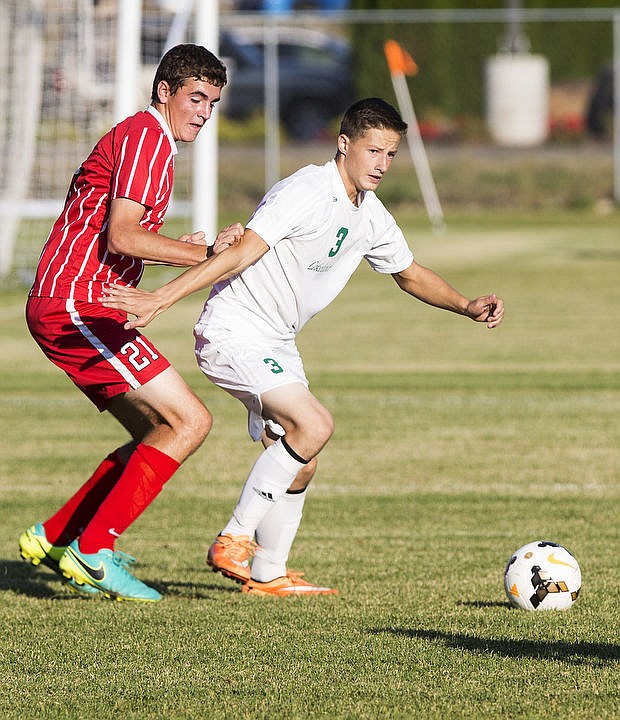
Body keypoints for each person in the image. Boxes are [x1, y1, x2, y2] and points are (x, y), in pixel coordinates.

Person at [100, 97, 505, 597]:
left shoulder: (371, 215)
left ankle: (269, 573)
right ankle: (234, 537)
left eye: (391, 154)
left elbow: (411, 274)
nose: (381, 163)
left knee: (301, 456)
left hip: (276, 340)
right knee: (314, 425)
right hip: (235, 330)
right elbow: (240, 254)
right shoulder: (305, 190)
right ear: (344, 144)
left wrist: (466, 305)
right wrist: (162, 298)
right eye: (373, 149)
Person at [19, 44, 243, 602]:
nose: (203, 113)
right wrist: (210, 253)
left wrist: (182, 249)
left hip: (74, 301)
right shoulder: (148, 138)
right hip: (77, 303)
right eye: (195, 98)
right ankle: (92, 552)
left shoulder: (144, 137)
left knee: (158, 430)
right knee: (188, 422)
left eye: (212, 103)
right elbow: (122, 235)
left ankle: (54, 537)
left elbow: (119, 235)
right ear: (164, 91)